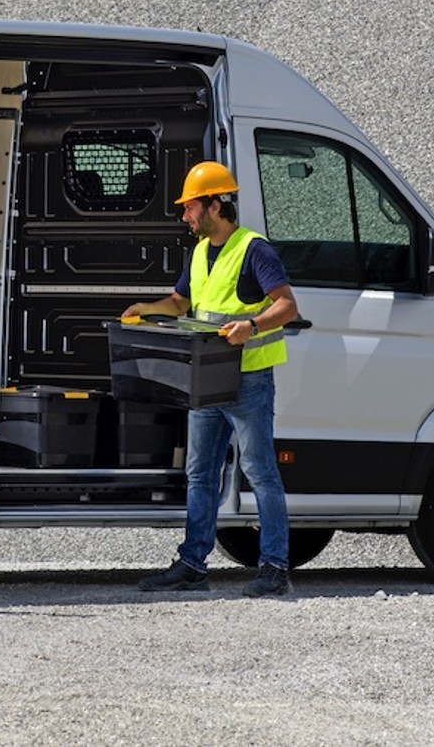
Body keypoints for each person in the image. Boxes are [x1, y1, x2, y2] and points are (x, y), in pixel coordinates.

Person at [122, 160, 300, 599]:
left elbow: (287, 306)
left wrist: (252, 327)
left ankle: (275, 567)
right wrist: (145, 308)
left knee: (260, 472)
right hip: (206, 381)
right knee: (200, 474)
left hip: (248, 382)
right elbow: (181, 303)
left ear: (216, 205)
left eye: (191, 207)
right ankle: (192, 564)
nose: (185, 216)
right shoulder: (200, 253)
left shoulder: (254, 249)